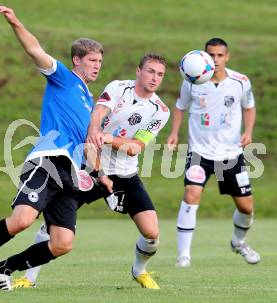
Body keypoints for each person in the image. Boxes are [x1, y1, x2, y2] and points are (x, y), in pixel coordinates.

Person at [0, 5, 105, 291]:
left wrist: (98, 172)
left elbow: (89, 143)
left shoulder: (89, 99)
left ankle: (2, 269)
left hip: (71, 172)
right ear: (77, 60)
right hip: (48, 160)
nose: (97, 65)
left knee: (62, 243)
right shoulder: (63, 78)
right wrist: (15, 23)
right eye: (92, 60)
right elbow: (35, 50)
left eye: (99, 61)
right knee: (22, 220)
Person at [13, 53, 170, 290]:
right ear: (138, 71)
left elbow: (135, 148)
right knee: (52, 225)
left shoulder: (160, 110)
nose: (154, 77)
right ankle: (28, 278)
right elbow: (98, 111)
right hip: (91, 166)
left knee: (152, 234)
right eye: (150, 71)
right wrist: (94, 128)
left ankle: (139, 270)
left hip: (125, 174)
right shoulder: (119, 88)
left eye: (159, 74)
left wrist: (107, 138)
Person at [167, 38, 260, 268]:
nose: (215, 60)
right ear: (204, 57)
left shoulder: (240, 82)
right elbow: (180, 107)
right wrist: (174, 134)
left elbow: (249, 107)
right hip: (200, 152)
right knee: (191, 194)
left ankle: (238, 242)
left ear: (227, 57)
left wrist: (248, 131)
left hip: (231, 154)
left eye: (220, 55)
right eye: (211, 55)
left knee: (246, 207)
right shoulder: (192, 80)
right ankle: (183, 256)